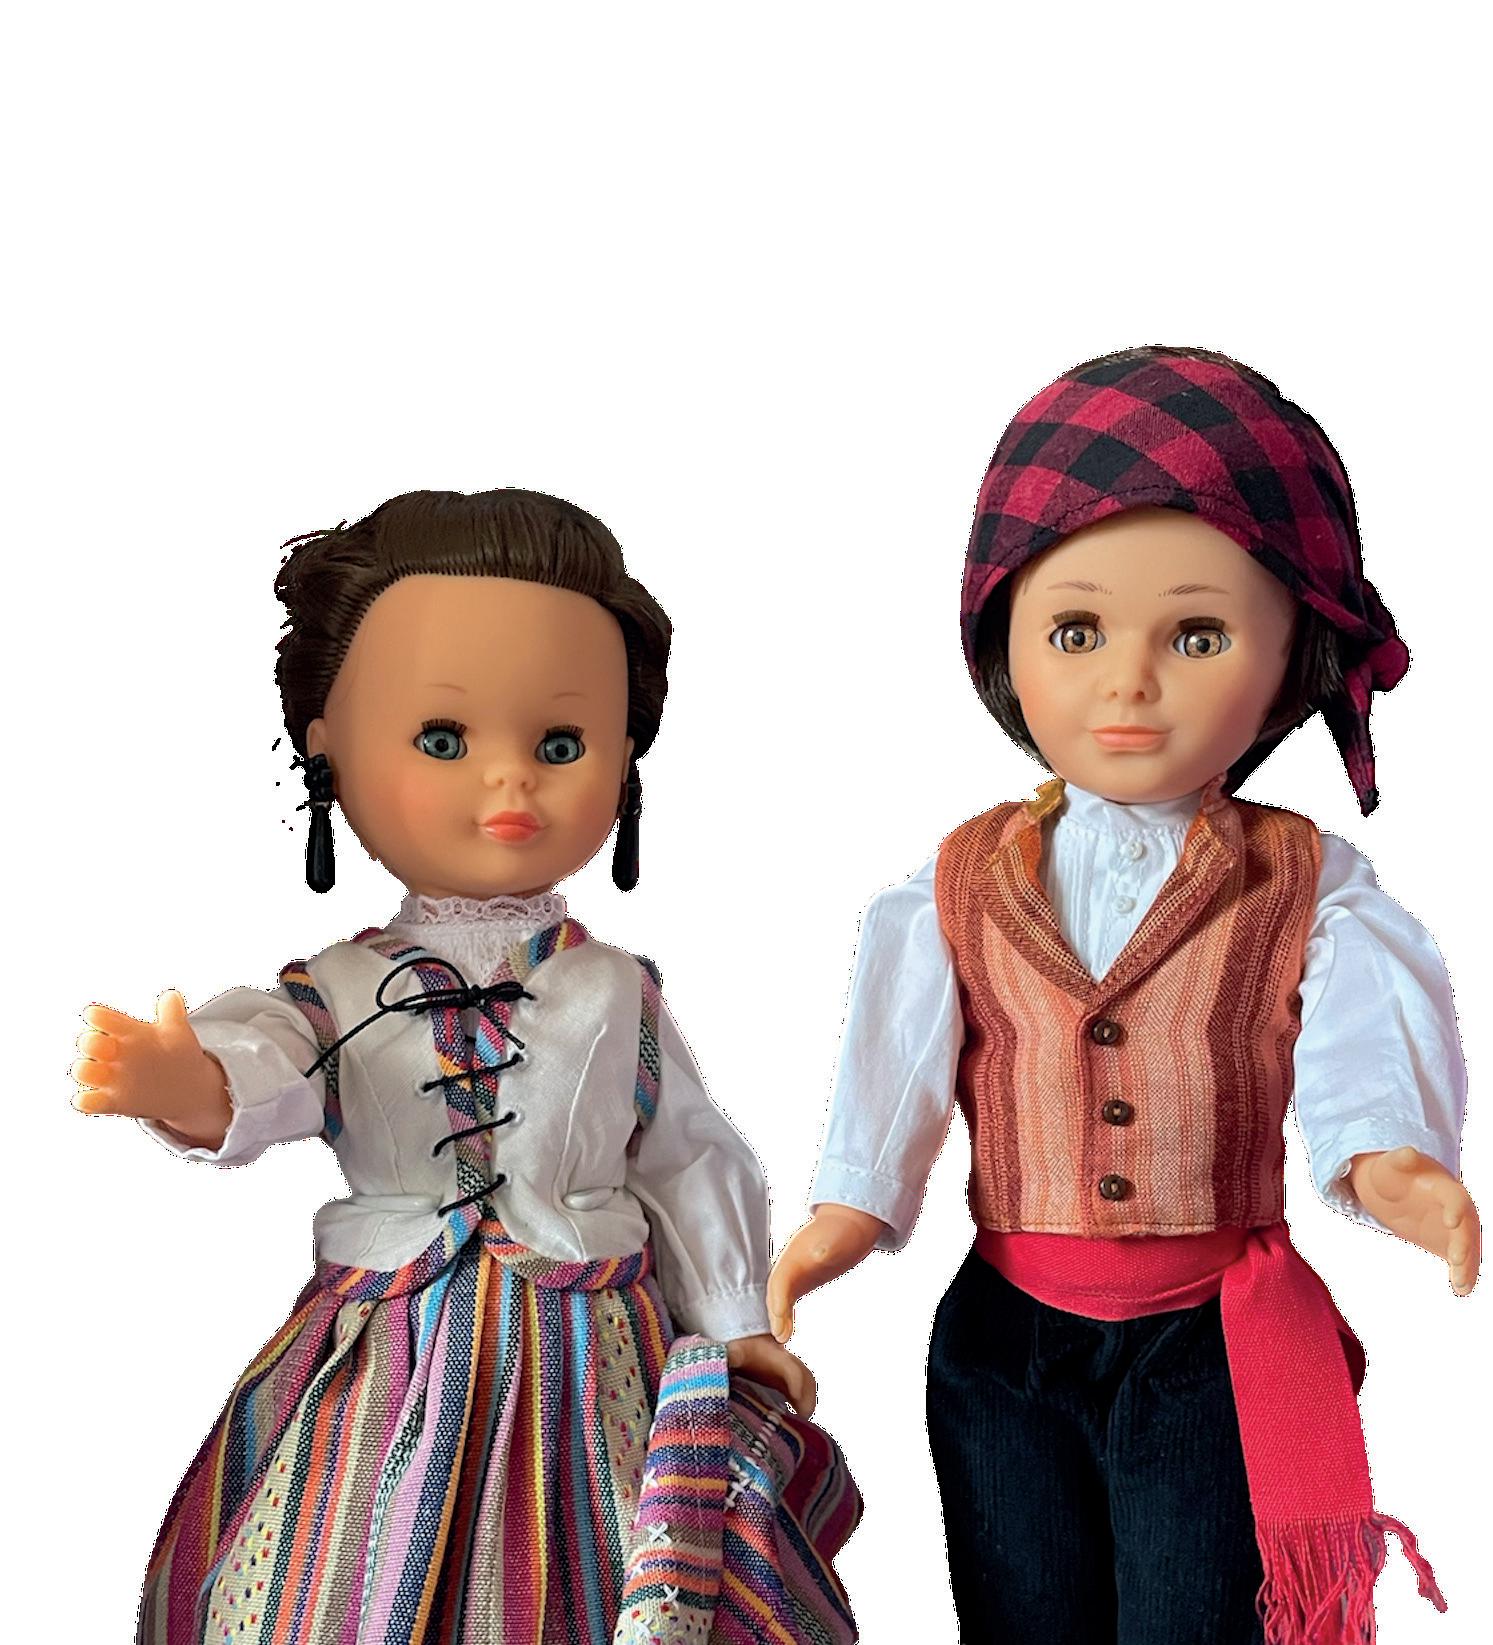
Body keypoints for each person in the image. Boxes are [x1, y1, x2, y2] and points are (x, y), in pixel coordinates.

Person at [767, 349, 1477, 1645]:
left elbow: (1359, 1052)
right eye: (1075, 632)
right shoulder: (954, 884)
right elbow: (896, 1071)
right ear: (1004, 642)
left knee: (1191, 1615)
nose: (1129, 681)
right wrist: (844, 1212)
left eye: (1196, 636)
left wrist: (1390, 1162)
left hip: (1208, 1344)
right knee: (1019, 1611)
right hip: (1003, 1340)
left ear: (1291, 655)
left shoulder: (1305, 885)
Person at [73, 488, 858, 1645]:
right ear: (327, 742)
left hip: (595, 1351)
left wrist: (734, 1314)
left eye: (559, 745)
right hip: (392, 1345)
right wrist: (188, 1083)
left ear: (624, 757)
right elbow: (270, 1063)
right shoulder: (336, 986)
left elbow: (686, 1155)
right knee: (339, 1571)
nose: (510, 782)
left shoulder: (612, 987)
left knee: (600, 1566)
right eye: (442, 740)